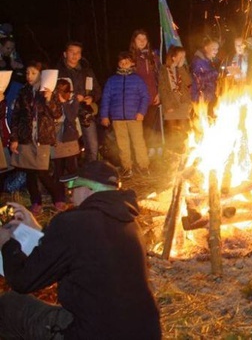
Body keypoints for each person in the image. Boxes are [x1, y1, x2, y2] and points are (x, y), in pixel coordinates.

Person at [0, 160, 162, 339]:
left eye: (72, 186)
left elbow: (23, 281)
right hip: (144, 331)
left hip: (96, 333)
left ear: (88, 189)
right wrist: (35, 227)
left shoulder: (72, 223)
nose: (69, 193)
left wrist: (7, 243)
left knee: (10, 306)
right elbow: (79, 245)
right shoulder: (130, 223)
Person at [9, 61, 65, 214]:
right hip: (26, 138)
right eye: (27, 73)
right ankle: (36, 201)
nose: (29, 76)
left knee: (42, 171)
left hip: (43, 138)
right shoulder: (23, 92)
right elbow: (16, 116)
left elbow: (57, 114)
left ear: (41, 74)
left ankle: (58, 197)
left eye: (33, 73)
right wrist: (14, 138)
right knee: (30, 173)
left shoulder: (48, 91)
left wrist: (48, 99)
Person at [100, 52, 151, 178]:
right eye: (121, 63)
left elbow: (145, 97)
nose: (124, 65)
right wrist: (104, 115)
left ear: (132, 63)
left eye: (126, 62)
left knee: (138, 143)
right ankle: (127, 168)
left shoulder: (137, 79)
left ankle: (143, 166)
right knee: (122, 145)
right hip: (117, 118)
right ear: (118, 64)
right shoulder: (112, 81)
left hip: (134, 117)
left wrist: (141, 112)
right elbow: (105, 98)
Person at [56, 41, 102, 162]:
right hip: (66, 114)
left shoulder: (87, 71)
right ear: (65, 54)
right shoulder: (58, 72)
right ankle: (72, 174)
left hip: (85, 111)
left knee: (92, 145)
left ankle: (91, 173)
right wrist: (71, 97)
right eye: (72, 52)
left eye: (78, 53)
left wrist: (91, 98)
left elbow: (97, 90)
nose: (75, 55)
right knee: (69, 148)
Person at [130, 30, 162, 157]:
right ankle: (141, 152)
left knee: (152, 125)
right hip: (137, 99)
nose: (142, 42)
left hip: (153, 96)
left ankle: (153, 147)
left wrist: (159, 93)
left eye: (144, 39)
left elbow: (160, 77)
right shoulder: (130, 58)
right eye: (139, 39)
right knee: (140, 127)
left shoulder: (153, 57)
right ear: (134, 41)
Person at [51, 78, 81, 206]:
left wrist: (64, 103)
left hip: (69, 139)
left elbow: (71, 116)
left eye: (63, 91)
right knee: (58, 169)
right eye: (58, 90)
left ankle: (77, 194)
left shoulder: (73, 101)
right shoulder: (52, 102)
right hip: (56, 138)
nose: (60, 93)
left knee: (72, 168)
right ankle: (60, 197)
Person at [158, 45, 193, 154]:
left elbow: (188, 82)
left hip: (182, 100)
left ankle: (183, 152)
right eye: (181, 56)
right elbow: (162, 89)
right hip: (171, 100)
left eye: (184, 56)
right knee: (172, 130)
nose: (183, 58)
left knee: (183, 129)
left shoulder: (183, 68)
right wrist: (167, 106)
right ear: (173, 57)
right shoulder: (163, 70)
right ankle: (173, 153)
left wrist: (181, 67)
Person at [190, 37, 220, 116]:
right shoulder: (198, 61)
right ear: (206, 48)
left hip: (210, 95)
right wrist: (215, 73)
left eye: (217, 49)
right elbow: (198, 78)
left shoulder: (210, 60)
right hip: (201, 96)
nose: (216, 51)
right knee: (203, 121)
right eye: (214, 49)